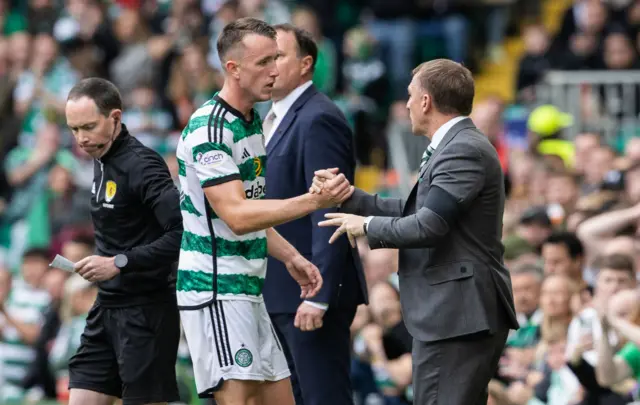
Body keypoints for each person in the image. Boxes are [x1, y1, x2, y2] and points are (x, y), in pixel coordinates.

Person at [314, 58, 520, 405]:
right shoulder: (455, 145)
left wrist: (365, 226)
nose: (407, 104)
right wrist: (352, 199)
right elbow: (419, 212)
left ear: (426, 101)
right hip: (453, 314)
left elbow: (429, 225)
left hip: (459, 315)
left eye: (411, 95)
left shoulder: (462, 149)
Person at [174, 18, 350, 405]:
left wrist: (291, 257)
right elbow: (237, 215)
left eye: (276, 59)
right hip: (216, 290)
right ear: (233, 69)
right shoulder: (210, 129)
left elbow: (251, 212)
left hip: (250, 288)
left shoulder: (251, 122)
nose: (274, 71)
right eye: (263, 63)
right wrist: (313, 201)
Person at [262, 24, 367, 405]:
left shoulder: (318, 117)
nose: (268, 66)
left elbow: (329, 208)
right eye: (263, 59)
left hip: (308, 292)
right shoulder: (271, 118)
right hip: (279, 291)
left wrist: (318, 297)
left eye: (277, 56)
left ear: (306, 64)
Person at [64, 77, 184, 405]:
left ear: (115, 118)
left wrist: (119, 263)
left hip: (146, 310)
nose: (81, 139)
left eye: (88, 127)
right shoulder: (101, 158)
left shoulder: (142, 164)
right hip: (106, 308)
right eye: (74, 130)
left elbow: (182, 233)